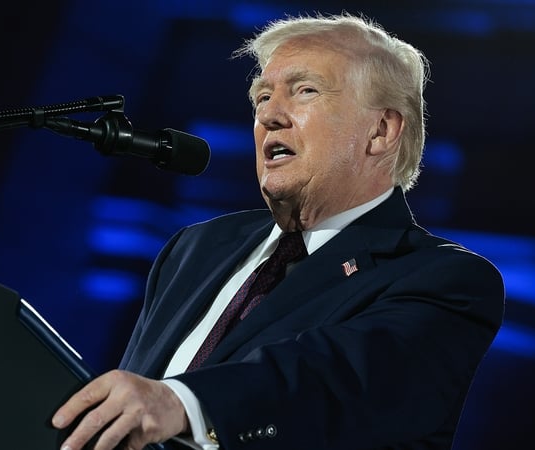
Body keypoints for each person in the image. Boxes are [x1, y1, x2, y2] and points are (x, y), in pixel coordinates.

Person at [51, 12, 505, 450]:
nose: (269, 115)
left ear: (381, 131)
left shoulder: (444, 281)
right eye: (262, 97)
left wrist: (185, 404)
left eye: (304, 91)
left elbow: (330, 379)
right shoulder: (195, 248)